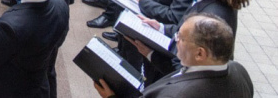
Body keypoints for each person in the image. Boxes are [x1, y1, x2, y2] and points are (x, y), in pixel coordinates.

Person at [95, 14, 254, 98]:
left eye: (180, 38)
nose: (175, 40)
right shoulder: (239, 71)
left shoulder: (176, 94)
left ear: (200, 53)